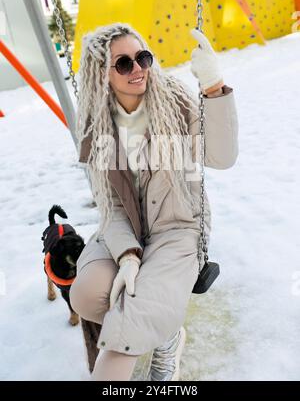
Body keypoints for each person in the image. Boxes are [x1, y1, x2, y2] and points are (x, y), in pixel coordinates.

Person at [70, 22, 239, 381]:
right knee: (86, 295)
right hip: (126, 228)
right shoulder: (98, 124)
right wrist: (127, 255)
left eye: (142, 58)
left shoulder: (173, 102)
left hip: (178, 226)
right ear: (102, 74)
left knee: (130, 324)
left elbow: (222, 157)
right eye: (123, 64)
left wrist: (212, 87)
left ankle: (162, 338)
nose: (138, 69)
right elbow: (112, 206)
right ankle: (164, 330)